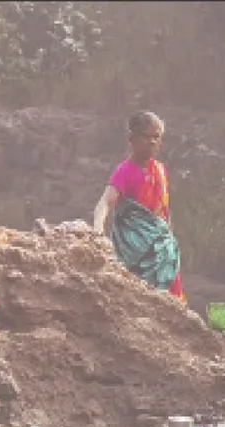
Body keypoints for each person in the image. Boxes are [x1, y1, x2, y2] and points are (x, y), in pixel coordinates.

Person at [93, 111, 186, 302]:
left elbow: (163, 212)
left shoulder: (160, 171)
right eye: (146, 136)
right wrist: (97, 230)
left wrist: (168, 241)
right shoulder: (125, 171)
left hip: (162, 251)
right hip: (136, 254)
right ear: (132, 139)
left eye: (156, 137)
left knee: (170, 302)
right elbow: (105, 201)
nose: (152, 142)